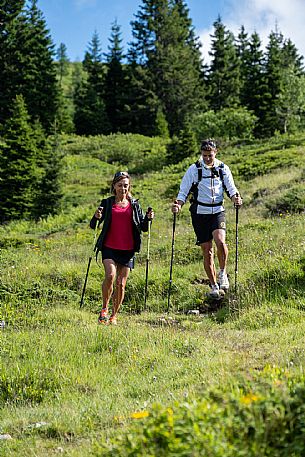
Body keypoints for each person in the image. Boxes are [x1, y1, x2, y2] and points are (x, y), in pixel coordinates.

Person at [172, 139, 242, 299]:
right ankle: (213, 285)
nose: (207, 159)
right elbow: (183, 191)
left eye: (210, 155)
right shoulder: (194, 169)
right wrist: (178, 205)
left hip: (218, 211)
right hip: (199, 213)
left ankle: (223, 273)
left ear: (215, 153)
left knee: (220, 241)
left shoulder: (223, 168)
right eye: (204, 156)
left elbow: (231, 188)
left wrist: (236, 199)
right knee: (207, 250)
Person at [90, 171, 154, 324]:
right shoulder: (107, 203)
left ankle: (114, 315)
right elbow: (94, 225)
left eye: (125, 185)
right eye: (120, 185)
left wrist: (148, 219)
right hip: (109, 247)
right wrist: (96, 217)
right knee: (110, 276)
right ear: (114, 186)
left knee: (121, 283)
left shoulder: (134, 204)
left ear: (129, 186)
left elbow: (143, 227)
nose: (123, 189)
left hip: (128, 249)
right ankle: (104, 309)